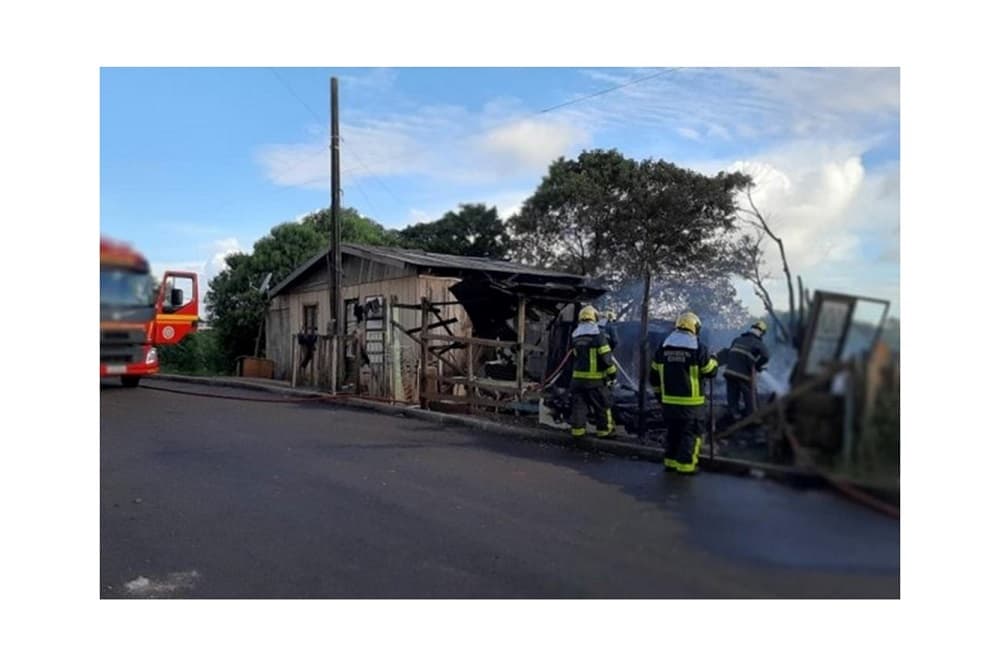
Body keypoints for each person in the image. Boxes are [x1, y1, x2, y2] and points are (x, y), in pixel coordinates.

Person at [649, 311, 718, 474]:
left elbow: (653, 376)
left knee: (673, 433)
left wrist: (660, 397)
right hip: (691, 405)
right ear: (695, 328)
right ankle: (686, 467)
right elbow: (710, 371)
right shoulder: (698, 348)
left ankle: (670, 463)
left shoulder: (663, 348)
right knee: (690, 435)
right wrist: (714, 360)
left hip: (669, 404)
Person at [569, 305, 617, 439]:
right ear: (594, 318)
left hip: (577, 380)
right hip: (595, 381)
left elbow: (574, 356)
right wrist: (613, 375)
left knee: (579, 407)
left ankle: (577, 432)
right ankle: (604, 431)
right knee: (603, 404)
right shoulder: (598, 336)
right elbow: (606, 358)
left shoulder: (575, 337)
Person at [722, 319, 770, 423]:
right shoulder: (758, 343)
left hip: (729, 372)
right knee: (750, 396)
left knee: (732, 396)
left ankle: (735, 416)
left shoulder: (737, 339)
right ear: (761, 332)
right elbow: (766, 356)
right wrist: (757, 366)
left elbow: (730, 353)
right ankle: (753, 418)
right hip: (744, 375)